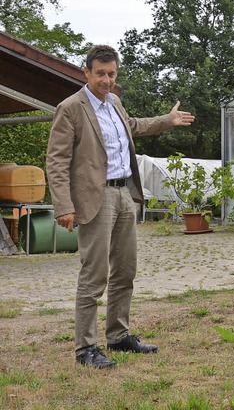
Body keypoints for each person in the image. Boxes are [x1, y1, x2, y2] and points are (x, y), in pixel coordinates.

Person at [46, 45, 195, 369]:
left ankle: (118, 335)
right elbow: (56, 161)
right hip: (94, 199)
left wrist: (167, 121)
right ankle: (85, 348)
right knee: (94, 275)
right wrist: (63, 206)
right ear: (87, 72)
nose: (106, 80)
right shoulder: (70, 108)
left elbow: (135, 126)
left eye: (111, 74)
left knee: (126, 270)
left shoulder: (114, 102)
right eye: (100, 73)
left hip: (124, 194)